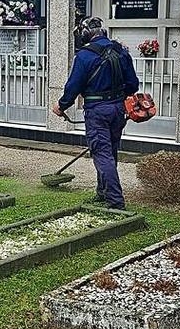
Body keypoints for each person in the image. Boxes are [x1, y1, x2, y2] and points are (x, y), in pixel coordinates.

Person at [52, 17, 140, 210]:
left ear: (85, 35)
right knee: (110, 152)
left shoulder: (84, 56)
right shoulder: (121, 51)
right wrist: (117, 99)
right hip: (118, 110)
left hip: (97, 111)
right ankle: (102, 193)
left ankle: (115, 203)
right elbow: (133, 84)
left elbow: (74, 86)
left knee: (102, 154)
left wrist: (61, 106)